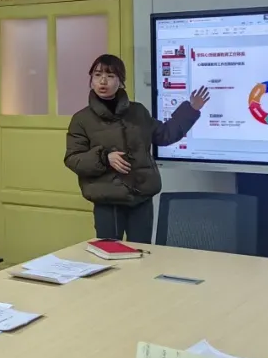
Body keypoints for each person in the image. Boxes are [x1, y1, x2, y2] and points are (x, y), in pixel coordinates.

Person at [64, 53, 209, 244]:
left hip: (141, 197)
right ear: (91, 80)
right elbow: (73, 158)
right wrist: (105, 158)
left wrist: (191, 109)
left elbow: (164, 134)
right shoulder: (82, 119)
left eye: (110, 76)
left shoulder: (138, 112)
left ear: (121, 81)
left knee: (143, 252)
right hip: (108, 199)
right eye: (97, 75)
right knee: (109, 252)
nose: (103, 81)